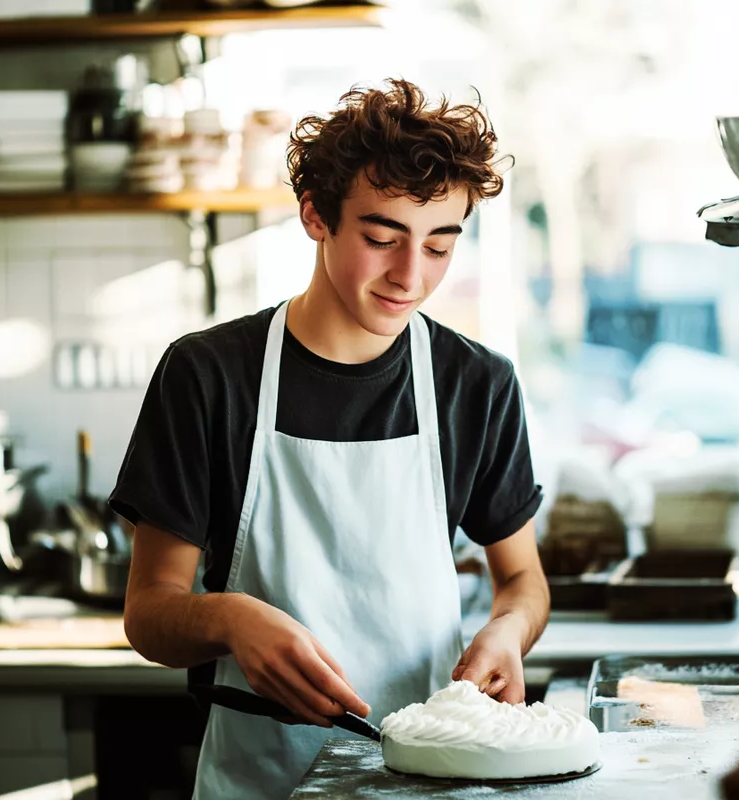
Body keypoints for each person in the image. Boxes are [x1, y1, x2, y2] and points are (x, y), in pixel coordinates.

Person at [112, 79, 550, 799]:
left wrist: (508, 632)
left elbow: (523, 581)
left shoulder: (478, 384)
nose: (410, 276)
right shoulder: (209, 375)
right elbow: (149, 614)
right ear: (315, 215)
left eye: (439, 246)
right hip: (262, 781)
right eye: (381, 239)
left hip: (430, 777)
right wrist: (232, 618)